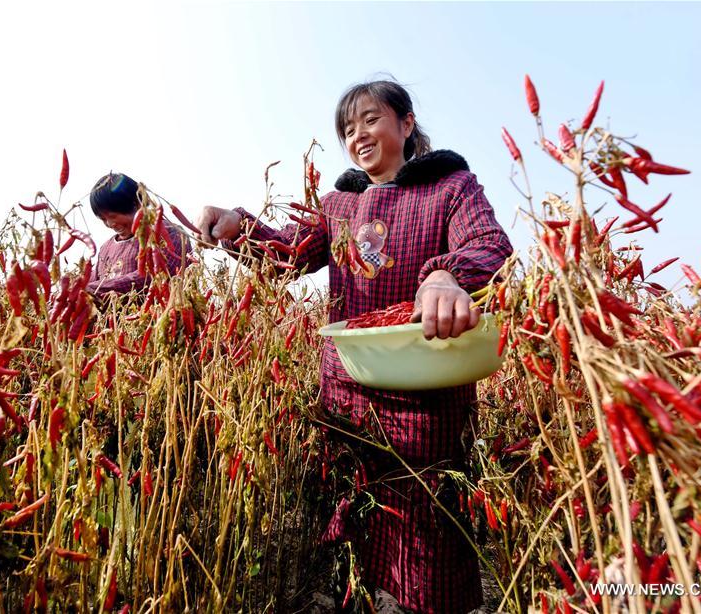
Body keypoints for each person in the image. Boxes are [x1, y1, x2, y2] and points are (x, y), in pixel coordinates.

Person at [196, 79, 513, 613]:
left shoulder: (450, 187)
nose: (358, 135)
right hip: (348, 394)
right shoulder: (340, 203)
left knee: (426, 527)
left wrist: (445, 278)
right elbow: (290, 254)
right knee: (352, 518)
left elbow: (488, 244)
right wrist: (237, 226)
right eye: (348, 129)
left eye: (370, 120)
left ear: (406, 124)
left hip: (424, 394)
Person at [85, 172, 188, 298]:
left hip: (159, 314)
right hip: (114, 317)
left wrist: (94, 289)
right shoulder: (106, 248)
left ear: (136, 205)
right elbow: (92, 283)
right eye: (103, 219)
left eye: (113, 216)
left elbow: (160, 274)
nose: (110, 224)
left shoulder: (169, 233)